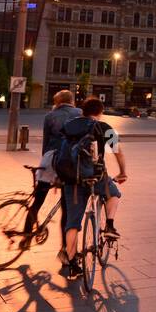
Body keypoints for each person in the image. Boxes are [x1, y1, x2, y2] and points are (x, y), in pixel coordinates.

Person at [58, 97, 127, 279]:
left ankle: (72, 265)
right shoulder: (104, 127)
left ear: (83, 111)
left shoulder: (69, 125)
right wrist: (122, 172)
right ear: (100, 112)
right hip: (96, 177)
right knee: (114, 194)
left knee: (72, 224)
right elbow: (118, 151)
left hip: (71, 179)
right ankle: (110, 226)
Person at [24, 90, 82, 242]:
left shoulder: (49, 116)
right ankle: (65, 247)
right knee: (66, 207)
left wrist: (47, 165)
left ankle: (26, 236)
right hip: (68, 163)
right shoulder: (79, 113)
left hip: (49, 161)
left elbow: (46, 142)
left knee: (38, 200)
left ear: (57, 102)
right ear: (72, 100)